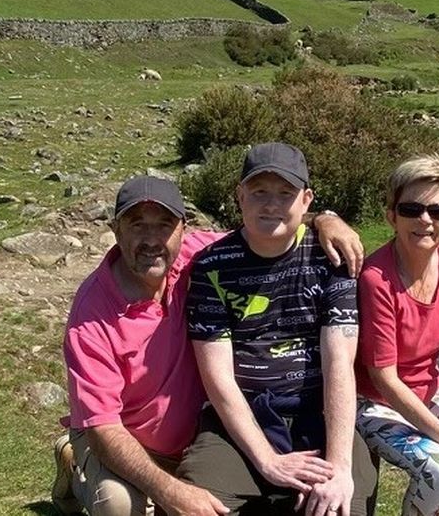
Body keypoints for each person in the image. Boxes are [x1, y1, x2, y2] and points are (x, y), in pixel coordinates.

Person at [52, 174, 364, 516]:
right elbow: (104, 428)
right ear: (116, 230)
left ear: (183, 229)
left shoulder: (198, 256)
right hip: (121, 440)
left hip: (193, 439)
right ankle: (76, 462)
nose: (152, 239)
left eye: (165, 225)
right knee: (120, 505)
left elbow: (267, 226)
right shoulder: (91, 317)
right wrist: (169, 490)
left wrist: (325, 219)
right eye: (137, 224)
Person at [179, 142, 379, 516]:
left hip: (316, 413)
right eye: (259, 192)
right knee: (198, 504)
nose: (271, 204)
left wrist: (338, 468)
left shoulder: (332, 259)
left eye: (285, 193)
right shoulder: (211, 266)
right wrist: (266, 459)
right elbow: (217, 378)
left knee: (339, 504)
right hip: (240, 419)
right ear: (240, 196)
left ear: (306, 200)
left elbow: (339, 364)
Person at [355, 156, 439, 516]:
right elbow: (382, 377)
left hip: (428, 393)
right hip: (374, 403)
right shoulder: (376, 278)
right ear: (391, 215)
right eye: (411, 209)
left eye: (438, 211)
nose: (425, 220)